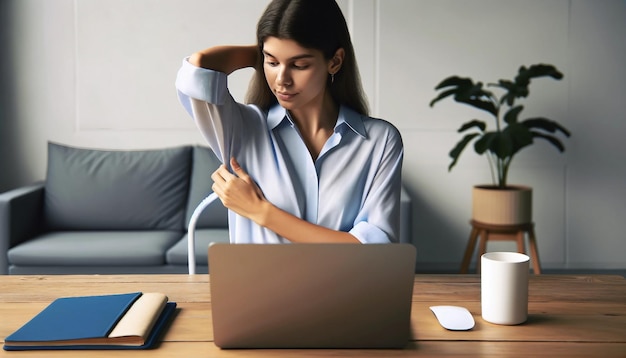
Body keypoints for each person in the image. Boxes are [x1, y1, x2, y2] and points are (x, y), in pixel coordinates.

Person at [175, 0, 403, 244]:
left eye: (299, 65)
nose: (282, 80)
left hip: (347, 284)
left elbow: (376, 248)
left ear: (335, 61)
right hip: (259, 283)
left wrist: (259, 211)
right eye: (272, 62)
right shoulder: (243, 129)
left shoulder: (380, 141)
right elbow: (198, 69)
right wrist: (260, 52)